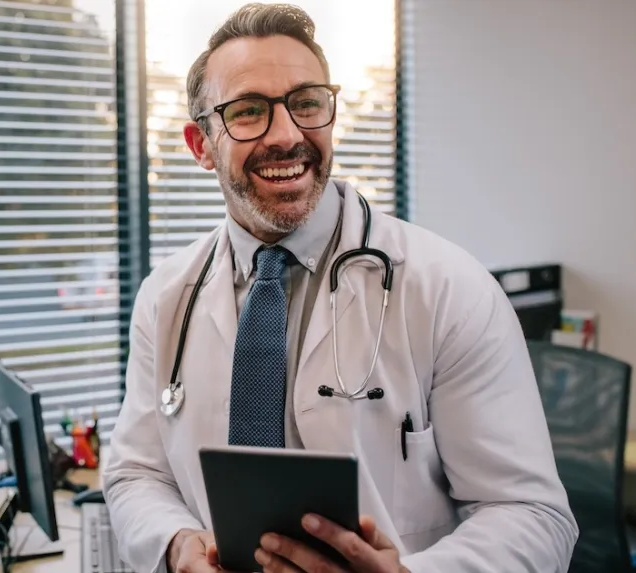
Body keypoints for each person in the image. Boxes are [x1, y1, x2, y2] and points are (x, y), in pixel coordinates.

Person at [101, 3, 578, 573]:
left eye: (305, 103)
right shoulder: (165, 297)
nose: (287, 135)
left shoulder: (447, 288)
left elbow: (535, 516)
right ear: (200, 145)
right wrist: (178, 544)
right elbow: (136, 473)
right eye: (248, 112)